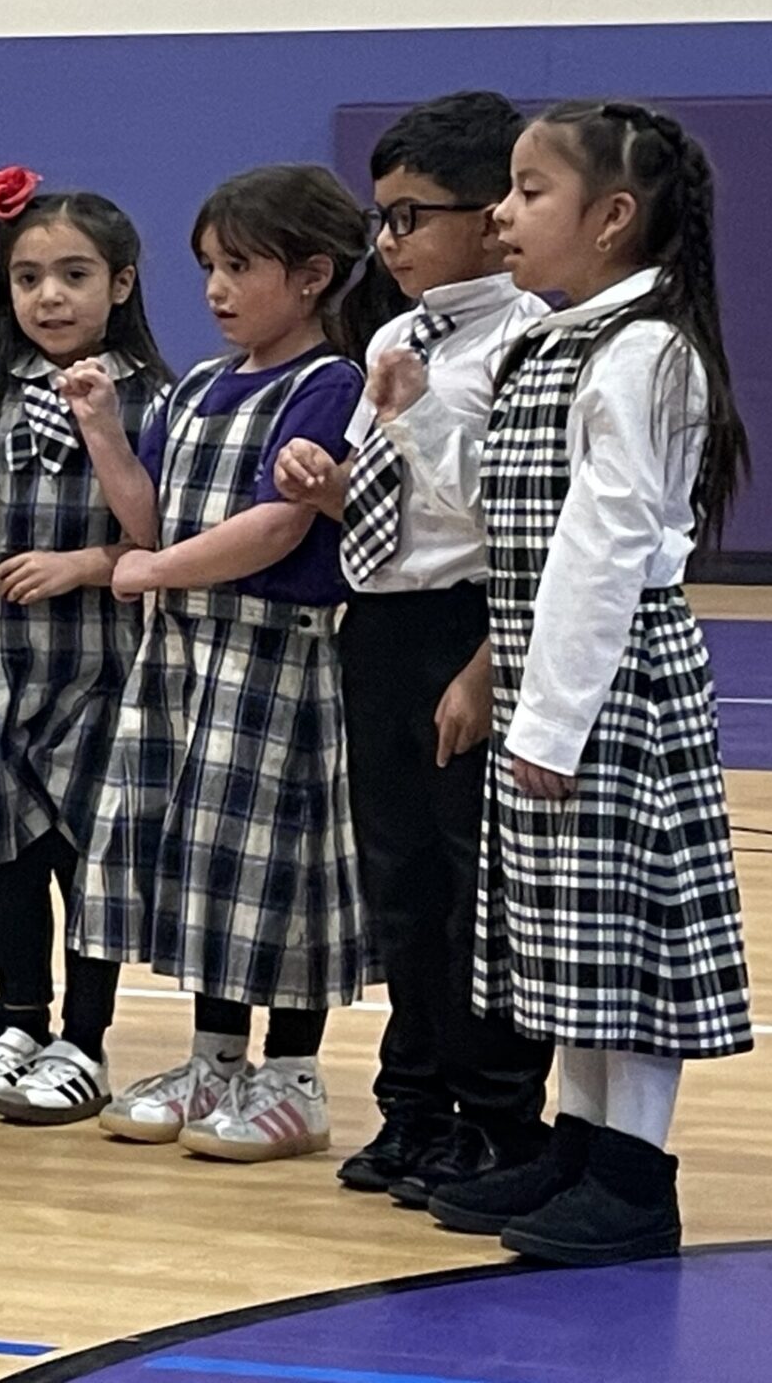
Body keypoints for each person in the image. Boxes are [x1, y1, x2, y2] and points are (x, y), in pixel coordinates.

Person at [417, 102, 752, 1266]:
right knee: (563, 940)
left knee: (621, 945)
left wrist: (551, 718)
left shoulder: (645, 350)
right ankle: (581, 1144)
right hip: (550, 676)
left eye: (528, 192)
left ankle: (634, 1177)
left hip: (610, 685)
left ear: (611, 219)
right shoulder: (546, 341)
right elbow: (488, 513)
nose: (501, 214)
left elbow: (603, 553)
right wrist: (410, 418)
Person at [72, 164, 388, 1162]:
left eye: (240, 266)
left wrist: (155, 569)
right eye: (208, 265)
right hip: (187, 658)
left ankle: (293, 1074)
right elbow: (154, 514)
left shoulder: (327, 382)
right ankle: (216, 1057)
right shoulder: (202, 384)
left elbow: (276, 527)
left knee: (277, 869)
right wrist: (106, 435)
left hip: (274, 663)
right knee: (209, 864)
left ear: (311, 276)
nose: (215, 288)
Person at [274, 94, 553, 1206]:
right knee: (398, 881)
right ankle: (415, 1103)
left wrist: (411, 420)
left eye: (410, 217)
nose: (386, 243)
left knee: (472, 888)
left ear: (492, 219)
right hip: (381, 622)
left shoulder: (526, 335)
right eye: (381, 219)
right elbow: (391, 505)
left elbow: (501, 514)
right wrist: (329, 487)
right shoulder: (395, 334)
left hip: (472, 622)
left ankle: (498, 1118)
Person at [0, 177, 168, 1125]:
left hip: (102, 657)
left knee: (83, 853)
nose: (49, 296)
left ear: (123, 284)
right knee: (4, 850)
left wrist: (83, 564)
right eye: (27, 278)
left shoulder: (150, 396)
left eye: (73, 275)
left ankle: (84, 1038)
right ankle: (21, 1020)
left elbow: (154, 533)